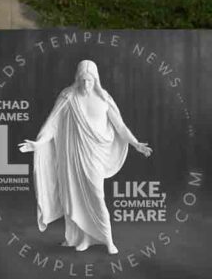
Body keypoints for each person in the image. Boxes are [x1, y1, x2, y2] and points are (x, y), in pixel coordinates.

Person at [19, 59, 152, 253]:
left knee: (97, 196)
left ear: (96, 80)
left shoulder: (104, 99)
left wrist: (136, 143)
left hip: (95, 156)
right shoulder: (68, 97)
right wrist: (38, 143)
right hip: (72, 156)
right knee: (74, 196)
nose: (86, 84)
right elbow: (52, 124)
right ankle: (81, 238)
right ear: (77, 79)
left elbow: (120, 126)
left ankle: (108, 240)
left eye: (90, 80)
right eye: (82, 80)